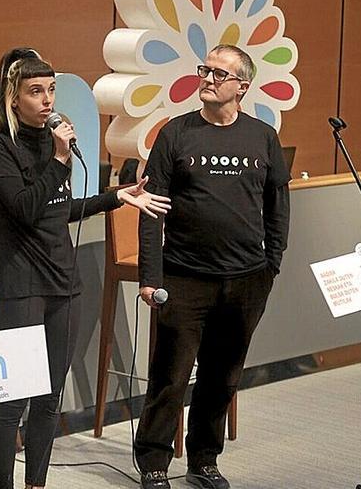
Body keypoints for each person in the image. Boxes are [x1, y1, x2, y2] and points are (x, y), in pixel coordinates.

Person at [0, 47, 171, 489]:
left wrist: (116, 196)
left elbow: (56, 209)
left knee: (49, 396)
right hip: (18, 284)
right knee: (13, 401)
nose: (47, 100)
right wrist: (60, 160)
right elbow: (27, 209)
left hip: (61, 282)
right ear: (13, 99)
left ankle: (36, 484)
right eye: (35, 92)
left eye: (51, 90)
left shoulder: (53, 145)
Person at [135, 44, 291, 489]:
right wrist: (150, 276)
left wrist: (271, 263)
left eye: (220, 74)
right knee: (171, 375)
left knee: (222, 376)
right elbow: (150, 208)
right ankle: (153, 463)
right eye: (205, 69)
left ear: (243, 86)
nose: (207, 78)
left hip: (246, 278)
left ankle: (204, 459)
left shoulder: (262, 136)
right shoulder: (176, 134)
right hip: (183, 275)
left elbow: (278, 204)